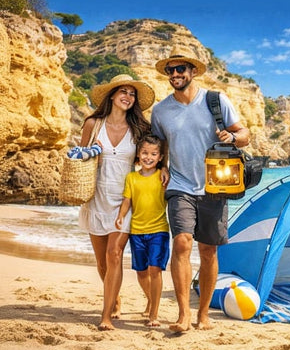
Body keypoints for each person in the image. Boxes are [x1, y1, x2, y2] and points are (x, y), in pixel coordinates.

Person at [150, 47, 250, 331]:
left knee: (208, 251)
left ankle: (203, 315)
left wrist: (232, 137)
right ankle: (183, 315)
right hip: (180, 185)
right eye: (170, 70)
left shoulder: (215, 101)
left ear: (192, 72)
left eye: (181, 69)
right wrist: (162, 167)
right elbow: (158, 146)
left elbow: (245, 134)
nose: (175, 74)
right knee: (181, 242)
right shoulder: (161, 110)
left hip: (215, 187)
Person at [78, 74, 155, 331]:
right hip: (96, 199)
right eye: (123, 91)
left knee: (114, 254)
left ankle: (106, 316)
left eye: (132, 94)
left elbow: (152, 156)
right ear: (111, 95)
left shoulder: (139, 130)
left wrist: (162, 170)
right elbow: (79, 160)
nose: (128, 97)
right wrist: (91, 158)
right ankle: (115, 298)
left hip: (125, 200)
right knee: (102, 262)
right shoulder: (92, 124)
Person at [114, 135, 171, 327]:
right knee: (140, 272)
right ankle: (151, 299)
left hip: (159, 231)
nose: (149, 157)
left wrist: (166, 170)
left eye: (153, 154)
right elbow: (127, 201)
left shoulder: (163, 177)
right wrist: (121, 216)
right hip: (136, 231)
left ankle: (154, 314)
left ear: (160, 156)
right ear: (138, 155)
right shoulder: (131, 178)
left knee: (155, 269)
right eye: (145, 153)